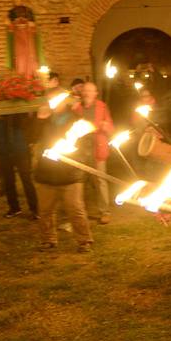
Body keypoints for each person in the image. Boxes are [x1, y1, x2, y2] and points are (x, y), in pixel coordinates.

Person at [33, 89, 94, 251]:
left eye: (58, 99)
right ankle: (48, 239)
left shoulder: (76, 121)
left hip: (70, 175)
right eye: (51, 99)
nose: (55, 103)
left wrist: (71, 157)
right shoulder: (43, 120)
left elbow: (86, 148)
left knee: (76, 209)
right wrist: (39, 120)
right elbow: (30, 137)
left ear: (66, 101)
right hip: (46, 173)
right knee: (45, 210)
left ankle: (84, 240)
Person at [72, 81, 115, 224]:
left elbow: (110, 128)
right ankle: (82, 211)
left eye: (91, 91)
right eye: (85, 90)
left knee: (100, 180)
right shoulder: (77, 108)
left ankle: (105, 211)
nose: (88, 93)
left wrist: (105, 126)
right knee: (80, 180)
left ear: (95, 93)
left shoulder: (102, 107)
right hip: (81, 149)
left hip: (98, 147)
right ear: (82, 93)